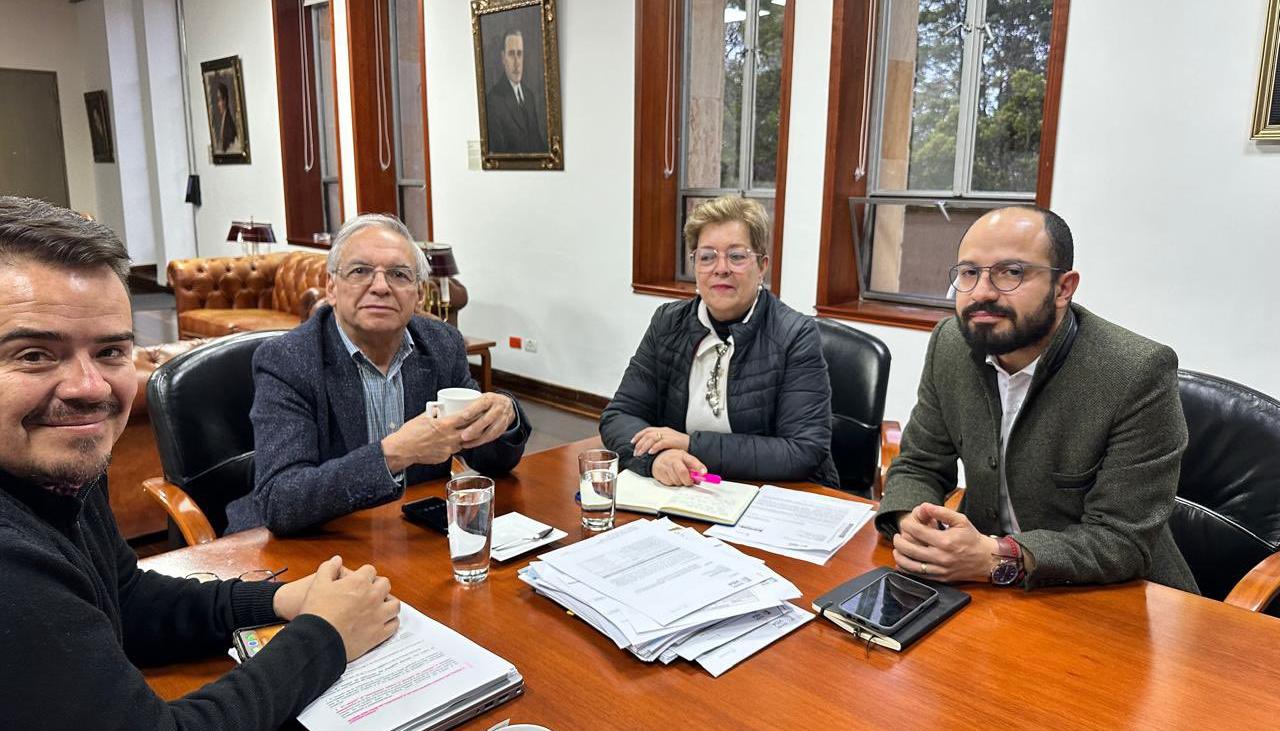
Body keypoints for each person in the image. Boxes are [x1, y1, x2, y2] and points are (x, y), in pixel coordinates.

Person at [0, 196, 400, 729]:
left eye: (112, 352)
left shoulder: (57, 466)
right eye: (34, 354)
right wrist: (325, 634)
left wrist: (278, 599)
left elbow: (126, 596)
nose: (89, 388)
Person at [875, 206, 1197, 592]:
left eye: (1011, 272)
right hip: (979, 584)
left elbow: (1120, 539)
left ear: (1063, 288)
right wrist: (913, 521)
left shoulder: (1137, 372)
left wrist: (997, 556)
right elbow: (919, 463)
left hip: (1108, 595)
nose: (981, 293)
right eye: (969, 272)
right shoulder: (952, 344)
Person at [225, 213, 530, 535]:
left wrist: (506, 415)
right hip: (315, 539)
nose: (381, 287)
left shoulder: (441, 344)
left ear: (418, 293)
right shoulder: (289, 360)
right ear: (332, 287)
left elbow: (490, 460)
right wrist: (395, 453)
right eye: (360, 271)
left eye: (399, 274)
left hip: (411, 533)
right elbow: (282, 501)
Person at [600, 196, 838, 488]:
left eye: (736, 256)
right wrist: (656, 460)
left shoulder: (795, 334)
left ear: (762, 265)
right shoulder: (667, 323)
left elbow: (803, 450)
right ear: (695, 265)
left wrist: (691, 445)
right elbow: (619, 415)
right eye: (707, 256)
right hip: (687, 491)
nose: (721, 268)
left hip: (771, 495)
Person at [485, 28, 546, 153]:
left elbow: (538, 145)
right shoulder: (493, 101)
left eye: (520, 54)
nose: (517, 62)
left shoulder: (529, 96)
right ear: (503, 58)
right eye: (511, 54)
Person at [211, 81, 238, 154]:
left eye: (219, 100)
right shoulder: (223, 120)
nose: (218, 104)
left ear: (225, 100)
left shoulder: (229, 123)